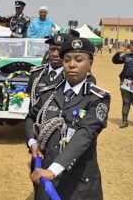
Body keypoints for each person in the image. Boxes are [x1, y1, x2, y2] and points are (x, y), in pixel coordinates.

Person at [26, 37, 110, 200]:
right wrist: (33, 142)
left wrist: (54, 170)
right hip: (46, 177)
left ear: (90, 63)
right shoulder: (49, 93)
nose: (72, 65)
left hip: (79, 182)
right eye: (67, 60)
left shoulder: (97, 98)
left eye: (79, 60)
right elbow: (31, 117)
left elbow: (84, 134)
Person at [112, 42, 133, 128]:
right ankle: (124, 121)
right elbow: (115, 61)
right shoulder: (127, 56)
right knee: (126, 102)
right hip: (126, 83)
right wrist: (118, 53)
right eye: (132, 45)